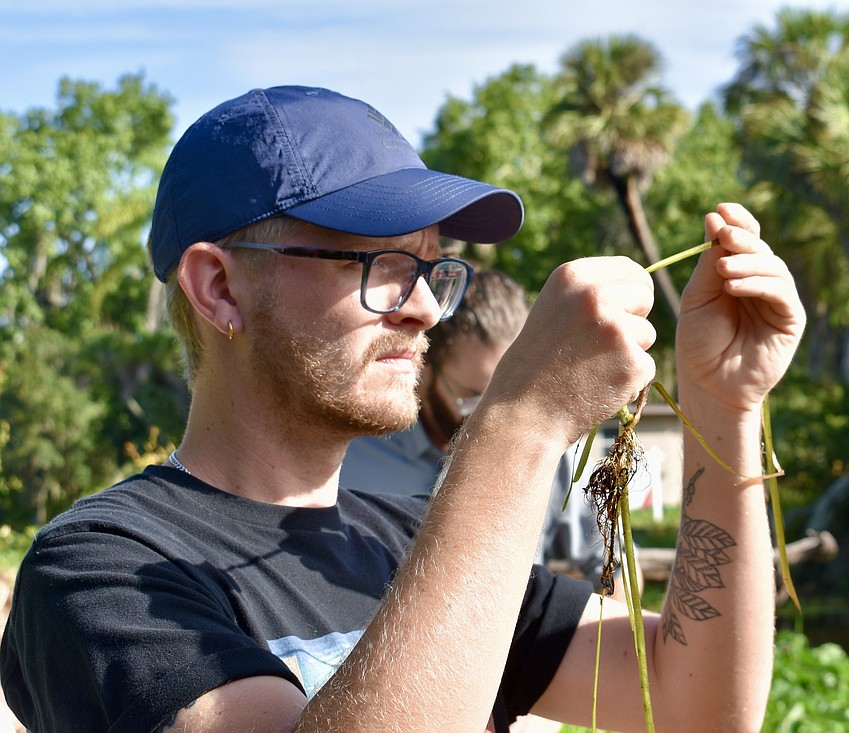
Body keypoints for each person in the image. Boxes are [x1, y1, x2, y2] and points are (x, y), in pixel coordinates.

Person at [0, 85, 805, 732]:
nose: (424, 309)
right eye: (381, 263)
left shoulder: (417, 535)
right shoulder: (100, 570)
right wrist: (519, 425)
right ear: (219, 287)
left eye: (432, 270)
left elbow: (696, 703)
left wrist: (720, 405)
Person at [341, 267, 621, 597]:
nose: (494, 414)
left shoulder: (551, 448)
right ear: (425, 366)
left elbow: (613, 573)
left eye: (514, 392)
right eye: (475, 396)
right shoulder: (357, 456)